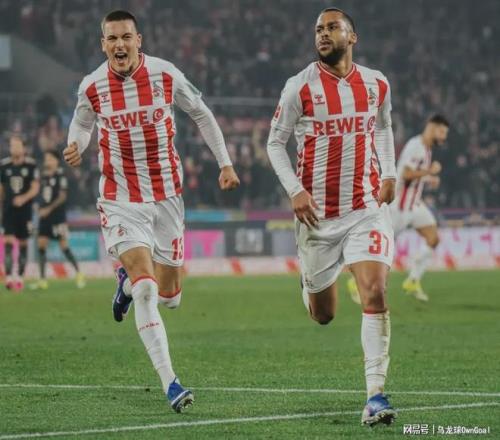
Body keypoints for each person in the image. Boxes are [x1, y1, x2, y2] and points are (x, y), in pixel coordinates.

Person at [63, 10, 240, 413]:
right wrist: (76, 145)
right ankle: (171, 383)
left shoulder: (165, 74)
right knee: (147, 288)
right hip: (120, 199)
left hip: (166, 198)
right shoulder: (92, 86)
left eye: (126, 37)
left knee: (170, 296)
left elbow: (202, 113)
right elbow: (82, 124)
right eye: (112, 38)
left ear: (138, 40)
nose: (119, 44)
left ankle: (124, 286)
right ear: (103, 44)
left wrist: (225, 163)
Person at [267, 8, 397, 426]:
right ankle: (309, 285)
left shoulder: (376, 83)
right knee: (323, 315)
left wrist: (390, 172)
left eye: (332, 27)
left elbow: (383, 127)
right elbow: (274, 144)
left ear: (352, 36)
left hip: (364, 210)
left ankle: (375, 396)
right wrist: (295, 190)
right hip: (317, 220)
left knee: (375, 292)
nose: (323, 34)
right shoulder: (299, 87)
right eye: (318, 29)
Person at [348, 115, 449, 302]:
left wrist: (428, 179)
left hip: (414, 205)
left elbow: (412, 174)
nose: (444, 137)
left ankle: (412, 280)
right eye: (442, 132)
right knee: (382, 250)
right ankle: (356, 281)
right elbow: (406, 174)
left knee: (433, 238)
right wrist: (429, 171)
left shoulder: (426, 148)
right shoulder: (416, 146)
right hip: (399, 207)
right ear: (432, 128)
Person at [30, 151, 86, 290]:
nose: (47, 161)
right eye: (46, 159)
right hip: (44, 217)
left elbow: (62, 196)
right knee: (41, 246)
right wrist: (37, 206)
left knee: (64, 246)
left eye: (50, 159)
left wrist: (48, 209)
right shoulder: (43, 177)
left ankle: (79, 274)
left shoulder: (61, 175)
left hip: (58, 217)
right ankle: (42, 280)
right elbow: (39, 195)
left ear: (56, 161)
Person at [0, 136, 40, 291]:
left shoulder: (31, 165)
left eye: (17, 145)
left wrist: (23, 198)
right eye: (12, 146)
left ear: (23, 148)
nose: (14, 148)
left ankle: (20, 277)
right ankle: (9, 277)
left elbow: (35, 188)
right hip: (8, 211)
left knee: (23, 244)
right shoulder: (4, 165)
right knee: (8, 243)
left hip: (25, 211)